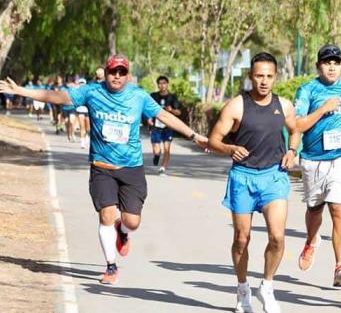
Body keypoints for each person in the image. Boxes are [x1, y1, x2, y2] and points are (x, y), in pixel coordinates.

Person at [0, 54, 208, 285]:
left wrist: (194, 136)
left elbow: (164, 115)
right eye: (112, 72)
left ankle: (124, 231)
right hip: (101, 166)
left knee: (132, 222)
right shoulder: (91, 92)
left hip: (131, 168)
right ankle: (110, 266)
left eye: (121, 72)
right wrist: (22, 91)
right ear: (106, 73)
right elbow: (58, 97)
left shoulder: (138, 96)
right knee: (106, 215)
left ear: (127, 75)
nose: (116, 76)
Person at [209, 52, 300, 313]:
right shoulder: (237, 105)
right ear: (251, 76)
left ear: (275, 77)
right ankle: (242, 289)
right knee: (241, 238)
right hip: (243, 177)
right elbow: (214, 139)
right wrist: (229, 149)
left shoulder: (284, 105)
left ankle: (267, 286)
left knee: (277, 236)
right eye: (259, 76)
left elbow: (295, 130)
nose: (264, 81)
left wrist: (292, 151)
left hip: (274, 176)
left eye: (269, 76)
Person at [294, 45, 341, 287]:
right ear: (318, 65)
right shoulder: (307, 90)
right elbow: (298, 125)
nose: (331, 66)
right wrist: (323, 109)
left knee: (339, 209)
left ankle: (340, 267)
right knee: (314, 209)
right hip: (312, 160)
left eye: (336, 62)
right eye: (326, 62)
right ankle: (311, 240)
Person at [148, 76, 181, 175]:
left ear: (167, 84)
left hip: (168, 126)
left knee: (167, 148)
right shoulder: (153, 96)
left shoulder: (172, 97)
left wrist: (172, 110)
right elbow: (147, 109)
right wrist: (149, 118)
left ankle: (163, 168)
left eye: (164, 83)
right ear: (158, 85)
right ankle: (157, 155)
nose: (162, 85)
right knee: (157, 150)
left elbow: (179, 112)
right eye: (160, 83)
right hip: (156, 125)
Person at [75, 78, 90, 148]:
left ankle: (87, 136)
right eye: (80, 83)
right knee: (82, 127)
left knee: (88, 128)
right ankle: (82, 142)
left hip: (88, 111)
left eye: (83, 83)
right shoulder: (77, 91)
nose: (81, 84)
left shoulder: (89, 91)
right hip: (80, 110)